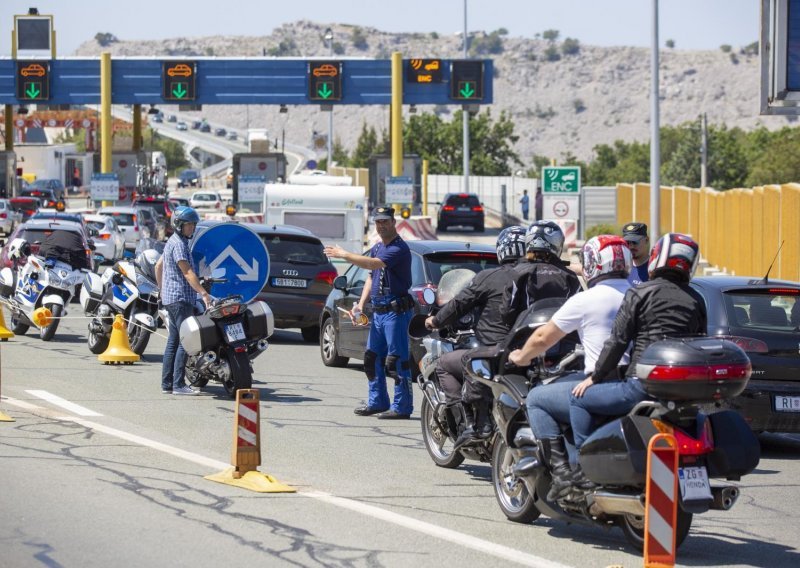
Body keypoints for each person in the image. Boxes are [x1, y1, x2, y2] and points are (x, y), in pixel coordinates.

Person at [507, 235, 632, 499]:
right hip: (636, 383)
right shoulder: (640, 291)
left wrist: (521, 357)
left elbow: (543, 338)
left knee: (538, 399)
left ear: (594, 264)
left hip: (603, 384)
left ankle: (563, 472)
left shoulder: (587, 299)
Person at [569, 233, 707, 458]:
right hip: (682, 391)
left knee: (577, 399)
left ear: (655, 258)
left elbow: (618, 342)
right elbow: (701, 342)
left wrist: (595, 378)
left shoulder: (640, 292)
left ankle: (582, 465)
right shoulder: (696, 299)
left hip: (642, 386)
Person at [424, 225, 527, 446]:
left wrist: (435, 320)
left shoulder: (489, 277)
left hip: (496, 351)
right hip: (534, 352)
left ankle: (470, 424)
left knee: (444, 364)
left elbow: (459, 304)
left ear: (502, 250)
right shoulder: (540, 276)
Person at [324, 206, 414, 419]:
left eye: (385, 221)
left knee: (396, 360)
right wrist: (360, 304)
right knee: (372, 358)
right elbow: (372, 276)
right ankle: (378, 402)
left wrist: (344, 254)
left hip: (396, 312)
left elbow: (374, 264)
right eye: (378, 222)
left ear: (393, 222)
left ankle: (402, 407)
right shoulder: (376, 247)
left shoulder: (399, 248)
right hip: (379, 312)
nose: (381, 225)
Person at [155, 206, 211, 395]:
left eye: (193, 225)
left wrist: (162, 290)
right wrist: (203, 293)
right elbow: (187, 273)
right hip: (180, 299)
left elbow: (158, 266)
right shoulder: (179, 244)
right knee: (184, 342)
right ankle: (178, 385)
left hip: (172, 298)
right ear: (179, 225)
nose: (192, 228)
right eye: (189, 225)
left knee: (173, 341)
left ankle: (167, 384)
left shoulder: (172, 241)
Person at [503, 220, 582, 323]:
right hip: (560, 333)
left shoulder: (517, 272)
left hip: (526, 333)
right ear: (557, 244)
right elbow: (580, 310)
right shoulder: (569, 275)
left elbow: (507, 312)